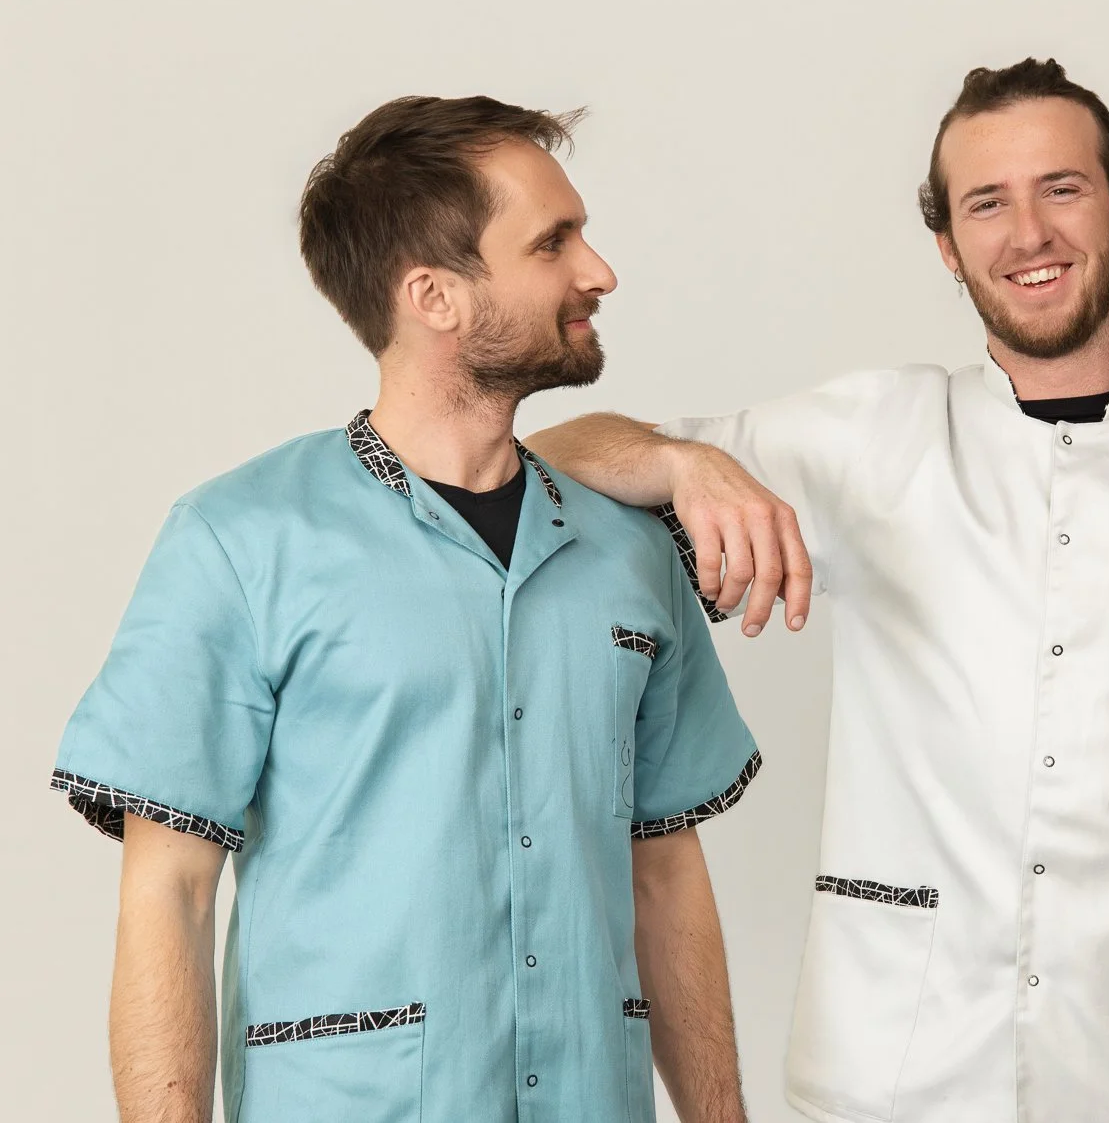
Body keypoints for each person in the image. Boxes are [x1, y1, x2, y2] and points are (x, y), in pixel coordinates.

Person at [525, 58, 1109, 1123]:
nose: (1025, 232)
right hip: (901, 1070)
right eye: (985, 203)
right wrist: (686, 465)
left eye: (1062, 188)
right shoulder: (864, 438)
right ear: (947, 246)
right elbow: (551, 453)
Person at [49, 95, 758, 1123]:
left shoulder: (632, 553)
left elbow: (665, 872)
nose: (596, 271)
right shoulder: (240, 540)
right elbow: (171, 892)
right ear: (433, 295)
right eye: (552, 242)